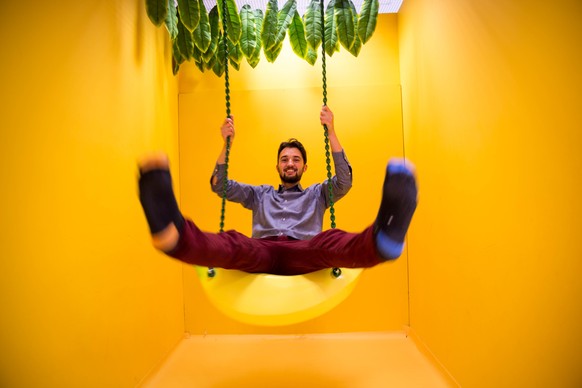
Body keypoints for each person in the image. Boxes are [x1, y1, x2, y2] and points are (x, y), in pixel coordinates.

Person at [138, 106, 418, 276]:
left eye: (296, 159)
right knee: (234, 243)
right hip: (262, 250)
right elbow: (220, 186)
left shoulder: (318, 194)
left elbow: (344, 180)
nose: (290, 163)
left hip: (305, 251)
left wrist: (331, 129)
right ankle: (174, 235)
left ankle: (382, 240)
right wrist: (227, 143)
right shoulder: (259, 194)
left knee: (331, 241)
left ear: (305, 167)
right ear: (277, 166)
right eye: (285, 159)